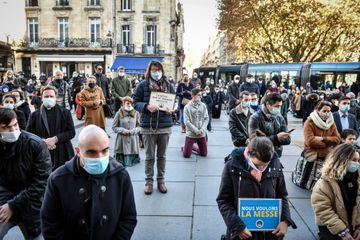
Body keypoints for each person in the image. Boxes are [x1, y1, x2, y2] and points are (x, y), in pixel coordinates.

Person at [41, 125, 137, 239]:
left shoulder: (120, 176)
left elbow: (128, 218)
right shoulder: (58, 179)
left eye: (105, 150)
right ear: (78, 151)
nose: (99, 157)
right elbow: (50, 223)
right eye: (92, 152)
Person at [217, 132, 297, 240]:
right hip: (243, 231)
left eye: (266, 164)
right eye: (257, 165)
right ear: (249, 154)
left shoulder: (275, 164)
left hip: (269, 232)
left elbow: (282, 195)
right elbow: (224, 200)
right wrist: (237, 226)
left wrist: (285, 220)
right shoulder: (232, 166)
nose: (261, 169)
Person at [0, 108, 51, 239]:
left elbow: (41, 184)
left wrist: (13, 205)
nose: (13, 130)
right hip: (5, 203)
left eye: (15, 125)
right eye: (6, 127)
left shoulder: (35, 144)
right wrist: (7, 205)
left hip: (33, 207)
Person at [133, 60, 174, 195]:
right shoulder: (142, 85)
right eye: (153, 70)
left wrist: (171, 110)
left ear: (162, 71)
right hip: (148, 126)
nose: (156, 72)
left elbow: (175, 101)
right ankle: (149, 182)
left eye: (158, 70)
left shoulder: (168, 85)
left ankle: (161, 181)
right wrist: (146, 107)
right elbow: (135, 102)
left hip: (164, 126)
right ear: (149, 71)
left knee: (162, 156)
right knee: (149, 156)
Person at [311, 144, 360, 240]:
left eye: (358, 160)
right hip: (332, 226)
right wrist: (343, 232)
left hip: (354, 225)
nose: (357, 163)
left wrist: (359, 227)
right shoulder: (324, 183)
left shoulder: (358, 179)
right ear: (342, 160)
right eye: (354, 160)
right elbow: (323, 210)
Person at [293, 101, 341, 190]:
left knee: (323, 180)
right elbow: (310, 141)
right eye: (324, 111)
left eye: (328, 111)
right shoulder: (310, 122)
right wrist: (328, 144)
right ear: (318, 110)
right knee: (305, 180)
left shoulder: (331, 122)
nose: (326, 114)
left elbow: (337, 139)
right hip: (312, 154)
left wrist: (323, 139)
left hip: (326, 155)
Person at [27, 86, 75, 169]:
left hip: (62, 153)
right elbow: (29, 133)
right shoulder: (35, 115)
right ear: (41, 98)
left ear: (55, 97)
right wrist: (43, 141)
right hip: (42, 152)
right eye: (46, 96)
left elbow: (71, 132)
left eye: (51, 96)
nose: (49, 98)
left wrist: (55, 139)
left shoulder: (65, 112)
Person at [112, 96, 141, 167]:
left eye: (130, 103)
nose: (129, 104)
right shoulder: (119, 113)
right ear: (123, 103)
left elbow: (140, 126)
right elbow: (114, 127)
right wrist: (123, 130)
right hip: (122, 140)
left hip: (133, 140)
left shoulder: (136, 113)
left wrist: (133, 131)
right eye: (127, 102)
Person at [182, 88, 209, 158]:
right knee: (186, 155)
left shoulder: (203, 106)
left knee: (204, 154)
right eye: (199, 95)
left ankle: (193, 147)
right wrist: (196, 130)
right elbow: (186, 121)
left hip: (201, 133)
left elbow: (206, 118)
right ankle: (185, 147)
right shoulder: (187, 107)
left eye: (201, 95)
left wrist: (202, 130)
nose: (200, 97)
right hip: (191, 133)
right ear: (193, 95)